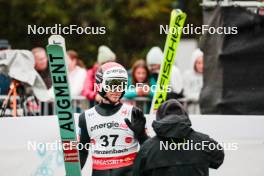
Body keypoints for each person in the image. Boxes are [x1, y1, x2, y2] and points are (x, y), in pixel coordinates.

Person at [78, 62, 148, 176]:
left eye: (121, 85)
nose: (117, 90)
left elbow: (148, 148)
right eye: (112, 84)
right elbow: (82, 152)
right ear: (100, 84)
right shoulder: (86, 117)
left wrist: (142, 136)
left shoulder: (133, 113)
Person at [132, 99, 224, 176]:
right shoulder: (204, 143)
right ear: (185, 116)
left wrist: (142, 137)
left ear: (159, 118)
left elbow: (138, 171)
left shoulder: (148, 148)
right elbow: (218, 159)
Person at [183, 48, 204, 114]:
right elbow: (186, 93)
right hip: (190, 109)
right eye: (199, 63)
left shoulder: (208, 76)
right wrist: (199, 97)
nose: (201, 66)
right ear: (194, 63)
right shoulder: (187, 75)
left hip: (204, 110)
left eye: (203, 62)